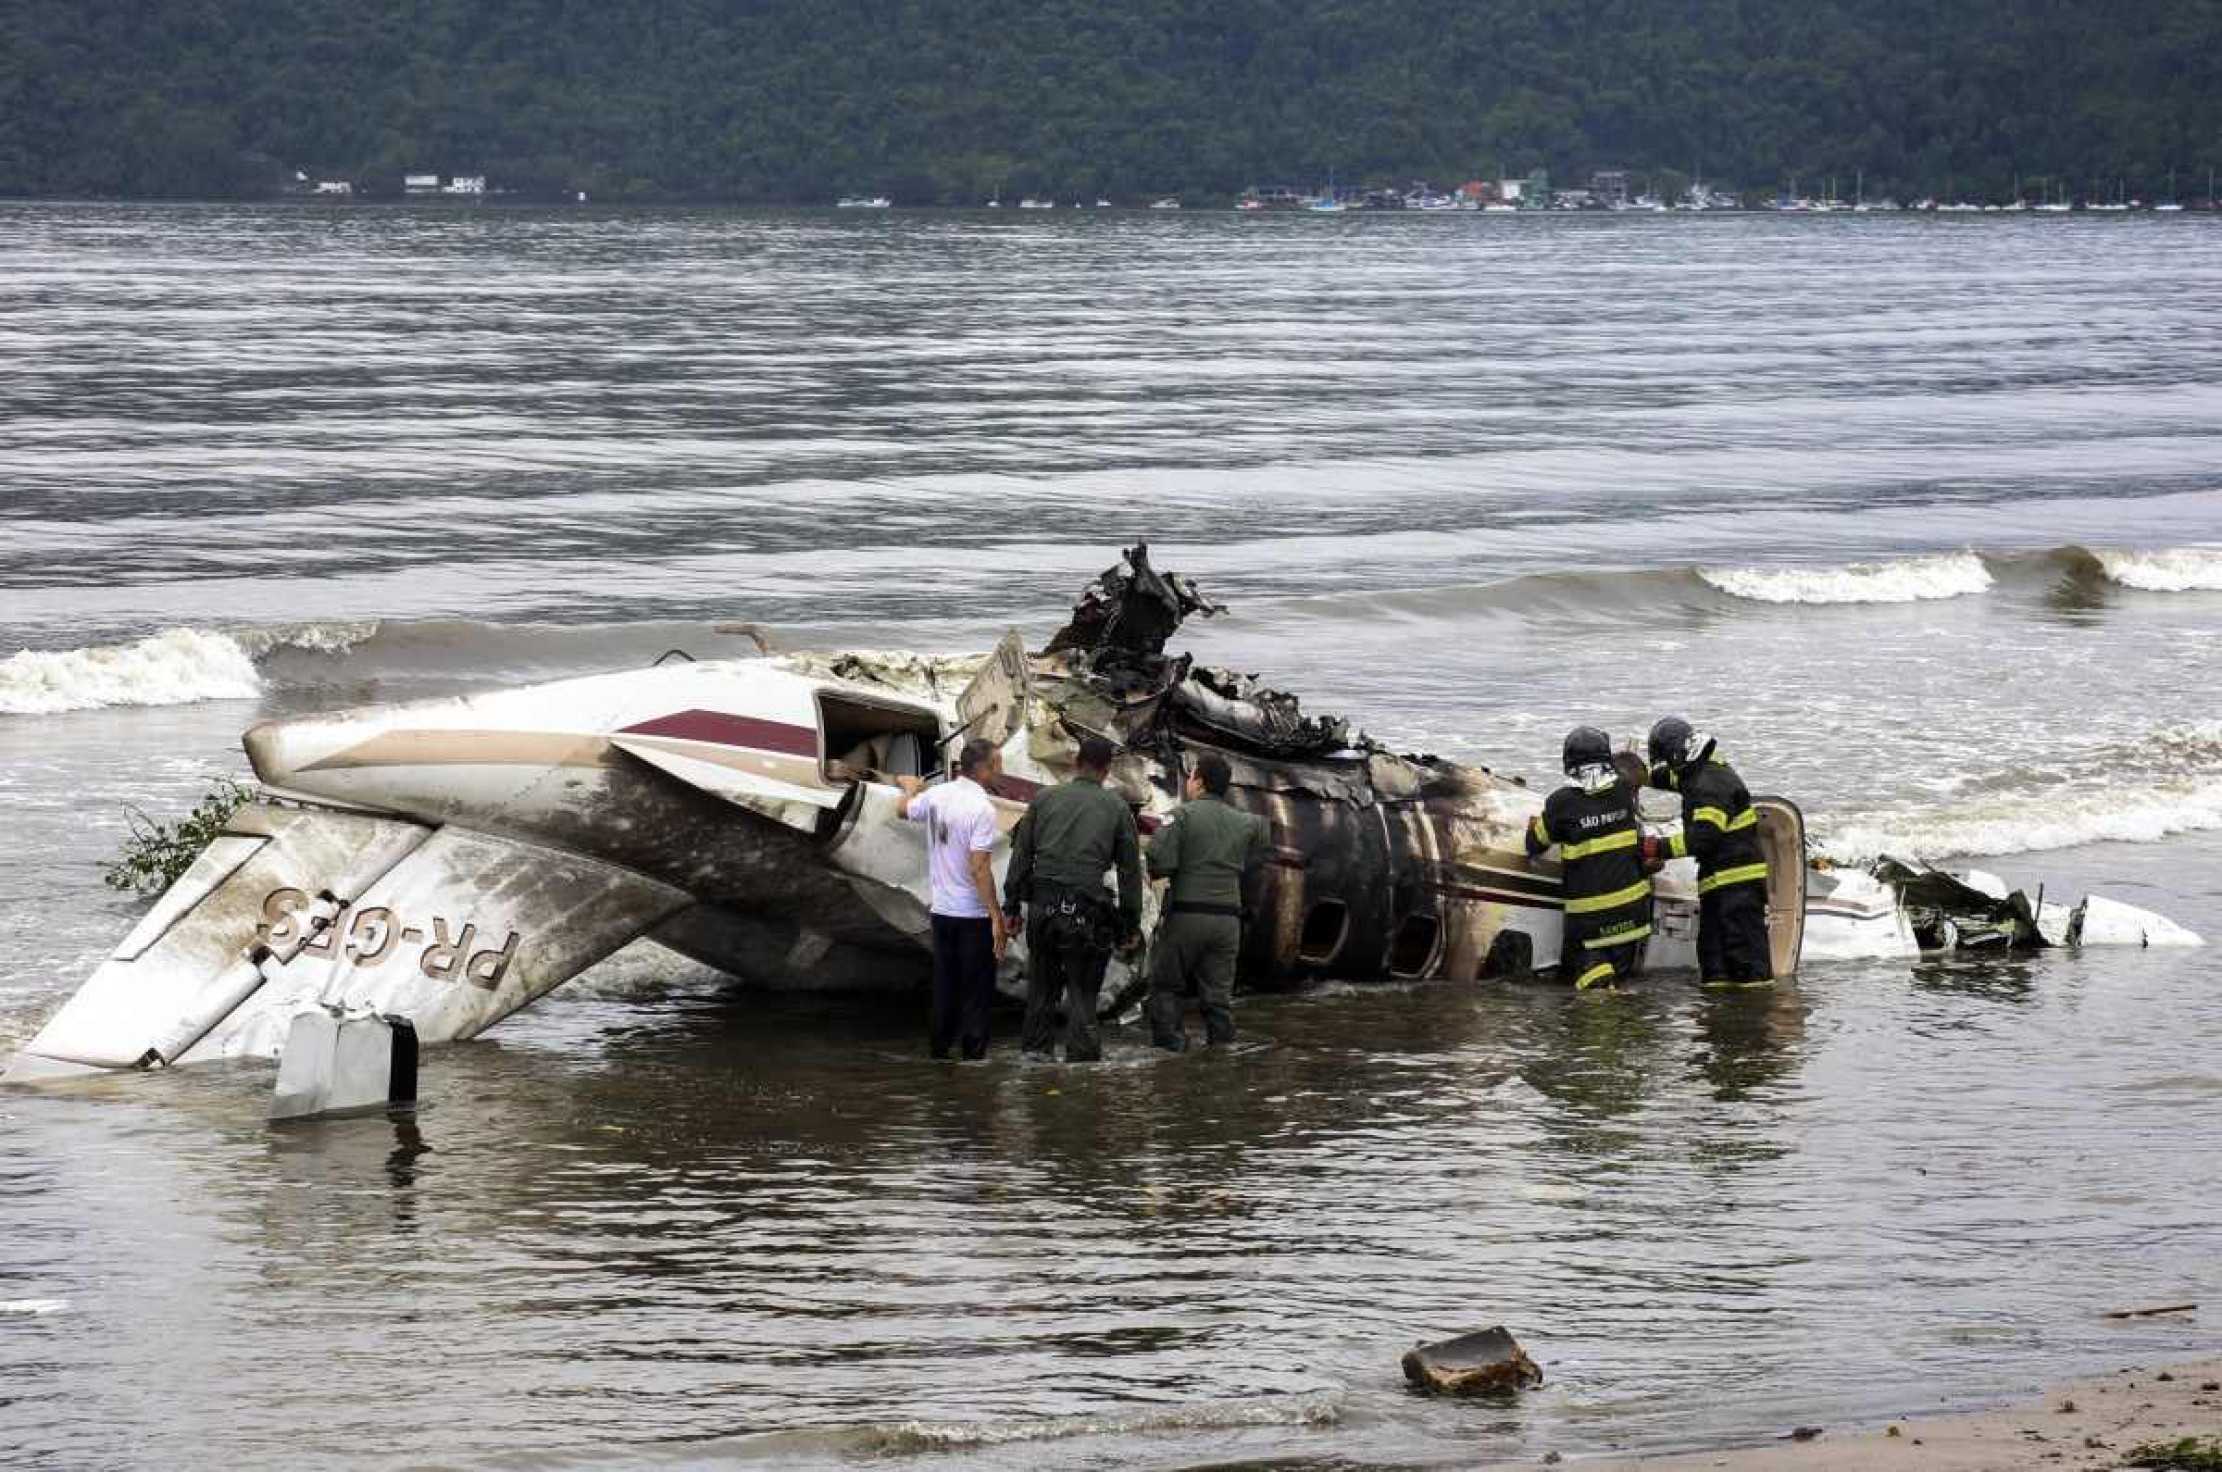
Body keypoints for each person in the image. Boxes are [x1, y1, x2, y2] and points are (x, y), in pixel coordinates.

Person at [1001, 734, 1145, 1062]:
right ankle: (1082, 1082)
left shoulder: (1043, 799)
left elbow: (1021, 857)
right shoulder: (1117, 808)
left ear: (1076, 763)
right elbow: (1129, 873)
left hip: (1043, 911)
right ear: (1107, 770)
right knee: (1083, 998)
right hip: (1087, 915)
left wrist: (1012, 907)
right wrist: (1129, 924)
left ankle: (1035, 1068)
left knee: (1041, 994)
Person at [1146, 751, 1271, 1050]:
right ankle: (1223, 1054)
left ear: (1198, 782)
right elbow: (1263, 851)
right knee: (1218, 997)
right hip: (1228, 921)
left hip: (1187, 916)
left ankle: (1171, 1051)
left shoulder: (1180, 816)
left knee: (1166, 987)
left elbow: (1159, 862)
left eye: (1191, 777)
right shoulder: (1248, 822)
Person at [896, 737, 1009, 1058]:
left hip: (942, 911)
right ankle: (973, 1060)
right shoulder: (982, 809)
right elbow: (979, 867)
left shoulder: (936, 795)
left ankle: (939, 1053)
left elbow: (902, 810)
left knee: (945, 986)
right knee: (976, 992)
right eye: (997, 765)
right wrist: (996, 917)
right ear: (984, 769)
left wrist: (910, 788)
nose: (1001, 771)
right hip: (972, 915)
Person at [1525, 725, 1655, 990]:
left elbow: (1534, 843)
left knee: (1592, 995)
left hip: (1589, 924)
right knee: (1619, 983)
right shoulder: (1623, 792)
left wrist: (1540, 824)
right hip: (1633, 916)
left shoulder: (1561, 803)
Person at [1647, 716, 1773, 986]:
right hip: (1718, 884)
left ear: (1680, 754)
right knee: (1714, 965)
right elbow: (1668, 777)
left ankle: (1756, 1017)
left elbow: (1703, 839)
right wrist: (1636, 772)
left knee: (1747, 965)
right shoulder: (1696, 770)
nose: (1669, 768)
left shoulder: (1711, 784)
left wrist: (1658, 847)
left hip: (1739, 886)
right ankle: (1720, 1021)